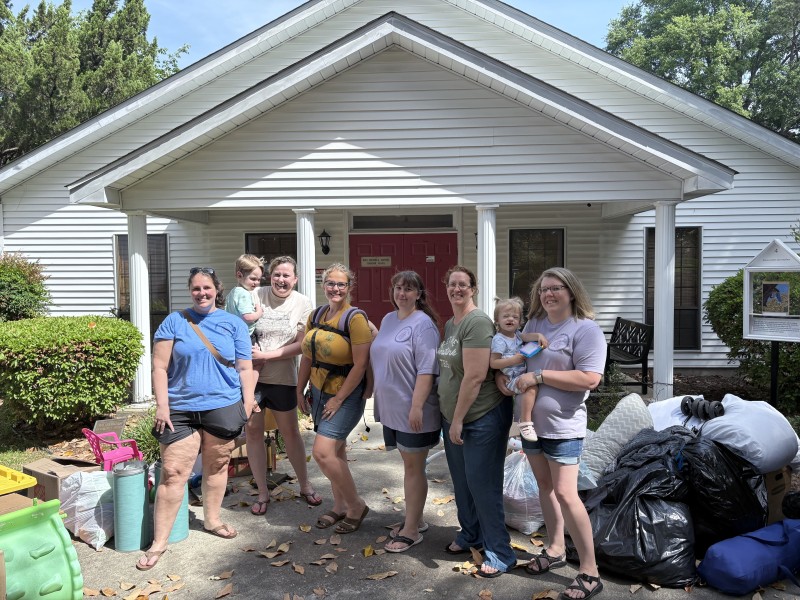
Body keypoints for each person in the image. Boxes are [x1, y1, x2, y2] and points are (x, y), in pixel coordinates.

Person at [497, 267, 606, 600]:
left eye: (556, 288)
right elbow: (516, 360)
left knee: (566, 493)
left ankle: (590, 571)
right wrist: (506, 380)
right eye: (543, 289)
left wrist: (541, 377)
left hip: (563, 426)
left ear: (571, 292)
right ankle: (556, 548)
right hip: (531, 427)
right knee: (545, 488)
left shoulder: (585, 330)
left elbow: (590, 378)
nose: (549, 294)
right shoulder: (533, 326)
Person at [137, 266, 255, 571]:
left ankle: (212, 519)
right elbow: (160, 368)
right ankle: (159, 541)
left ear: (217, 289)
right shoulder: (174, 321)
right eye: (196, 289)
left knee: (217, 466)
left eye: (207, 288)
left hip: (223, 405)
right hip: (181, 408)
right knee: (174, 472)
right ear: (190, 291)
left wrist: (246, 403)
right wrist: (162, 406)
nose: (202, 293)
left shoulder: (233, 323)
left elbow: (245, 368)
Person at [437, 265, 516, 578]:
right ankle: (471, 534)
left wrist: (457, 420)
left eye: (463, 285)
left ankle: (500, 552)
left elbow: (475, 375)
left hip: (480, 417)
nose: (457, 289)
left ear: (474, 288)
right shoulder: (450, 324)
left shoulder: (478, 321)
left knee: (483, 486)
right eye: (452, 284)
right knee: (462, 482)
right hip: (453, 416)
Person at [297, 263, 372, 534]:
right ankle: (339, 506)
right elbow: (308, 354)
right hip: (318, 392)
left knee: (322, 452)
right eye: (331, 283)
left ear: (349, 287)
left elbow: (360, 365)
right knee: (336, 451)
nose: (335, 288)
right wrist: (300, 389)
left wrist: (339, 399)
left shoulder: (355, 319)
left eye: (341, 284)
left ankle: (355, 505)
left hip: (345, 394)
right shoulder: (316, 315)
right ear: (323, 285)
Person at [370, 271, 441, 553]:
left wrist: (416, 406)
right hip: (391, 407)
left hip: (414, 411)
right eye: (399, 288)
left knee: (414, 468)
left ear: (419, 294)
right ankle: (416, 519)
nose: (402, 293)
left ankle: (412, 530)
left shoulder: (424, 325)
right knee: (409, 467)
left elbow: (427, 369)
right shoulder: (388, 319)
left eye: (409, 289)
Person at [245, 256, 321, 515]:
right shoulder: (255, 294)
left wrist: (266, 356)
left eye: (286, 275)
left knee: (290, 433)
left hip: (283, 379)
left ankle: (305, 484)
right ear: (270, 276)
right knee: (253, 433)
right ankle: (263, 492)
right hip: (253, 380)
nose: (281, 280)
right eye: (277, 274)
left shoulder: (303, 303)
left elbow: (302, 344)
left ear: (295, 279)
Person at [490, 297, 548, 442]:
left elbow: (527, 336)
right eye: (506, 316)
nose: (511, 319)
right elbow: (493, 363)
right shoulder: (499, 340)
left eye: (515, 317)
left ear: (520, 321)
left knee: (532, 385)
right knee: (532, 386)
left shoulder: (516, 335)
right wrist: (513, 360)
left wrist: (539, 336)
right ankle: (525, 423)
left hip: (519, 375)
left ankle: (520, 423)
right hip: (511, 379)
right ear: (497, 320)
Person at [225, 254, 265, 394]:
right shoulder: (243, 293)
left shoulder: (232, 293)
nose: (256, 283)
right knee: (257, 363)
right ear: (239, 275)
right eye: (253, 279)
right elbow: (247, 316)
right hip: (246, 335)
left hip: (233, 336)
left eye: (259, 279)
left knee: (238, 365)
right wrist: (259, 312)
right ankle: (249, 393)